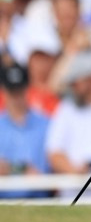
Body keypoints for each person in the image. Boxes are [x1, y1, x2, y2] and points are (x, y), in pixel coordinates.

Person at [0, 61, 50, 199]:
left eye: (20, 91)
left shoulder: (46, 124)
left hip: (40, 200)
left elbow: (51, 171)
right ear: (3, 90)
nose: (16, 98)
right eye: (12, 92)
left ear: (27, 89)